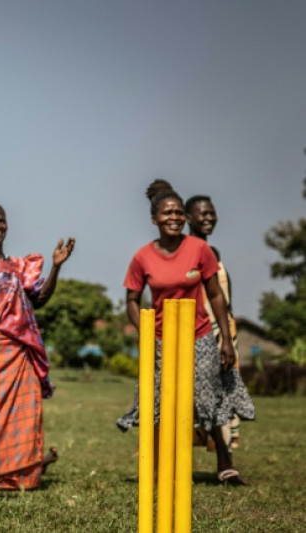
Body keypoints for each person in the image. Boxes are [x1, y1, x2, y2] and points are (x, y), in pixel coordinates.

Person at [116, 180, 255, 485]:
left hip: (199, 334)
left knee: (209, 398)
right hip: (161, 339)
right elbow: (131, 300)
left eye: (179, 213)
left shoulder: (199, 249)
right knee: (160, 401)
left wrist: (226, 340)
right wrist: (145, 333)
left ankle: (225, 465)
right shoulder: (142, 257)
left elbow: (215, 294)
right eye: (167, 213)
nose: (174, 218)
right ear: (154, 219)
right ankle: (160, 467)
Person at [0, 203, 71, 491]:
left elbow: (38, 299)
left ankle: (18, 475)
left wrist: (56, 266)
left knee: (25, 413)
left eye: (1, 221)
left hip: (18, 350)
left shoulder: (19, 266)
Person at [186, 194, 243, 451]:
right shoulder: (184, 252)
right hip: (200, 332)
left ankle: (224, 456)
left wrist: (228, 336)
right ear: (189, 218)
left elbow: (223, 297)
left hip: (225, 332)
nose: (209, 218)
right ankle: (208, 444)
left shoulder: (214, 253)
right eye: (203, 214)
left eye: (212, 213)